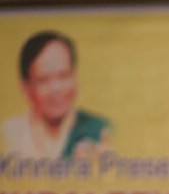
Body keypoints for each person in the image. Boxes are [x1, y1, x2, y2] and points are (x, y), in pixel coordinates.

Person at [3, 31, 110, 160]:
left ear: (75, 77)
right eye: (43, 80)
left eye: (64, 76)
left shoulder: (98, 129)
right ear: (26, 88)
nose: (56, 89)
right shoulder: (9, 132)